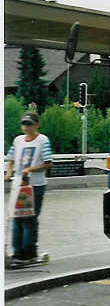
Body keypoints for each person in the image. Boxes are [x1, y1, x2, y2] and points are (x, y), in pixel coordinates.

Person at [5, 111, 53, 266]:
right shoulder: (18, 140)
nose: (26, 127)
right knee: (17, 218)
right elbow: (11, 159)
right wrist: (8, 174)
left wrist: (30, 170)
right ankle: (17, 253)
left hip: (34, 186)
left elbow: (48, 163)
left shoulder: (42, 140)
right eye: (24, 124)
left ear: (36, 125)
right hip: (19, 186)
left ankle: (29, 253)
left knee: (29, 219)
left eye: (29, 124)